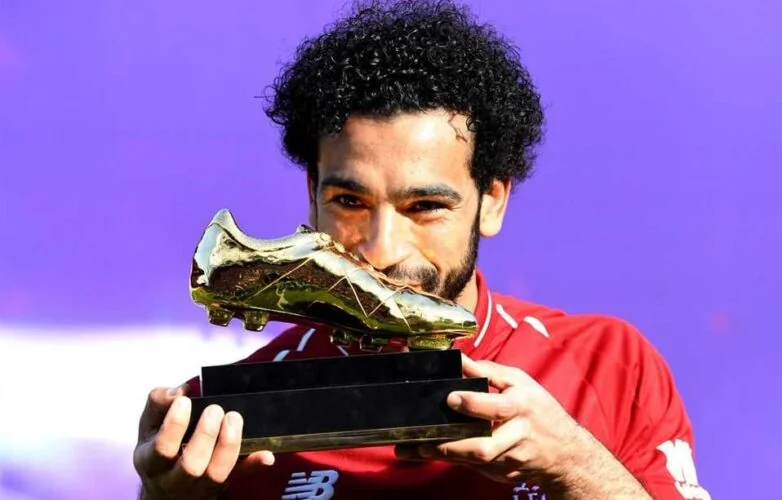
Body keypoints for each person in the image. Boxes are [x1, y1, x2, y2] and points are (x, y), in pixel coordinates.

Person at [133, 1, 711, 498]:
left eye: (425, 206)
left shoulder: (610, 365)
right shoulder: (221, 421)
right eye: (349, 201)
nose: (382, 250)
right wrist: (162, 498)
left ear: (492, 201)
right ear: (312, 197)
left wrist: (574, 465)